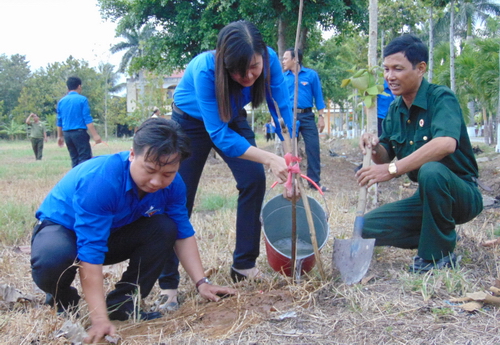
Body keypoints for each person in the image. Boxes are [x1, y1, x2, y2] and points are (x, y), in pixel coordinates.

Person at [31, 118, 235, 343]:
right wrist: (99, 319)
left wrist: (202, 283)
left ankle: (122, 304)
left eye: (168, 173)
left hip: (112, 232)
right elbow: (91, 249)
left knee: (165, 227)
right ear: (132, 155)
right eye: (149, 170)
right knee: (53, 258)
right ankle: (63, 298)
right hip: (62, 230)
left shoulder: (175, 186)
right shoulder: (102, 181)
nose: (157, 181)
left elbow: (183, 234)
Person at [156, 20, 294, 309]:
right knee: (178, 196)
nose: (247, 76)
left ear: (262, 55)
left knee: (253, 179)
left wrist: (290, 159)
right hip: (189, 122)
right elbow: (218, 134)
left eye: (253, 67)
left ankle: (243, 264)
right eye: (238, 70)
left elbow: (280, 107)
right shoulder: (204, 69)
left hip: (231, 115)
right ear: (223, 61)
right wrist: (270, 158)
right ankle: (168, 283)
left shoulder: (268, 60)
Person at [356, 35, 483, 272]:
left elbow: (445, 144)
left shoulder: (441, 97)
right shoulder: (395, 109)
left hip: (462, 195)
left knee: (432, 170)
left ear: (421, 68)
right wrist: (374, 146)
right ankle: (438, 234)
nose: (389, 76)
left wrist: (393, 170)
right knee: (365, 228)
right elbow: (385, 156)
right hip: (426, 198)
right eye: (386, 69)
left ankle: (437, 256)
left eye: (397, 69)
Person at [282, 48, 328, 192]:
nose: (283, 61)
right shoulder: (284, 78)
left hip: (307, 116)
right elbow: (278, 99)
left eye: (285, 58)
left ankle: (314, 183)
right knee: (291, 151)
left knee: (313, 148)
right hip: (290, 116)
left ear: (295, 59)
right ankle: (292, 181)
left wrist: (321, 117)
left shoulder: (311, 75)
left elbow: (318, 97)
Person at [57, 76, 102, 167]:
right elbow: (87, 118)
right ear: (79, 86)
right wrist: (95, 135)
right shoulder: (82, 99)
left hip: (67, 134)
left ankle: (74, 178)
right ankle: (83, 179)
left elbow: (59, 120)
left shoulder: (61, 101)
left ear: (67, 88)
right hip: (79, 133)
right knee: (85, 159)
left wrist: (60, 136)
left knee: (74, 159)